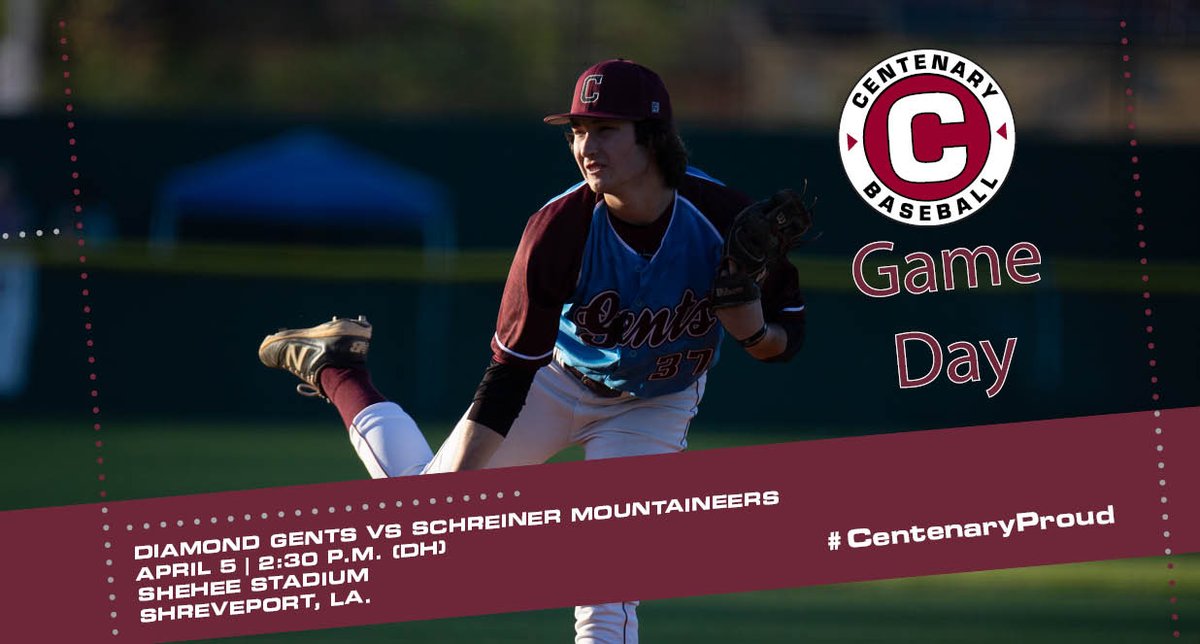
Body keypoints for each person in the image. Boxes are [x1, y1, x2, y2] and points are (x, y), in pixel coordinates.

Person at [260, 58, 808, 644]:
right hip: (553, 381)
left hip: (654, 405)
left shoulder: (722, 218)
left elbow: (787, 339)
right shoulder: (557, 230)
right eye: (576, 130)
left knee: (608, 591)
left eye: (604, 130)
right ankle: (338, 369)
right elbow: (507, 379)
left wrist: (752, 332)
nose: (584, 145)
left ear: (651, 138)